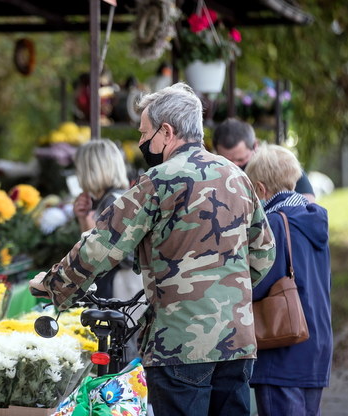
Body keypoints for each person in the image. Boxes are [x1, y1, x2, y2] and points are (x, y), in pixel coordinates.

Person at [30, 82, 276, 416]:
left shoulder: (159, 180)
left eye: (145, 133)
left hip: (179, 344)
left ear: (167, 131)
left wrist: (55, 284)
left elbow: (103, 243)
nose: (142, 141)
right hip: (237, 341)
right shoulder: (236, 176)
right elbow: (264, 252)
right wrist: (226, 290)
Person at [244, 143, 332, 416]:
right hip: (315, 341)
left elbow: (258, 285)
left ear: (260, 189)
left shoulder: (273, 224)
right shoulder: (313, 218)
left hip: (282, 345)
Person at [72, 138, 142, 300]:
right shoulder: (115, 198)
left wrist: (90, 230)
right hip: (123, 284)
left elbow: (118, 257)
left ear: (91, 169)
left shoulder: (113, 202)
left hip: (123, 286)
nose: (77, 175)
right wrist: (84, 218)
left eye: (79, 168)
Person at [213, 118, 316, 202]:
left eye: (240, 160)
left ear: (255, 146)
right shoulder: (212, 172)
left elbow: (308, 202)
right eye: (227, 161)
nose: (234, 166)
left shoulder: (275, 163)